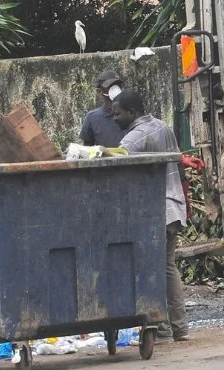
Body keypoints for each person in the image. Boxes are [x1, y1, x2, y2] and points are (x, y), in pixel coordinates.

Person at [111, 89, 190, 341]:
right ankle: (180, 328)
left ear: (132, 113)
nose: (114, 118)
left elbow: (117, 168)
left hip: (153, 211)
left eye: (118, 113)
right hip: (173, 205)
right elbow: (178, 163)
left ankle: (161, 327)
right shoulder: (163, 127)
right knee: (168, 266)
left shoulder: (134, 139)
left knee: (151, 269)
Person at [80, 70, 128, 148]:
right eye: (110, 86)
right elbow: (87, 148)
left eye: (117, 85)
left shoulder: (130, 113)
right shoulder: (93, 118)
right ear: (99, 91)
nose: (115, 88)